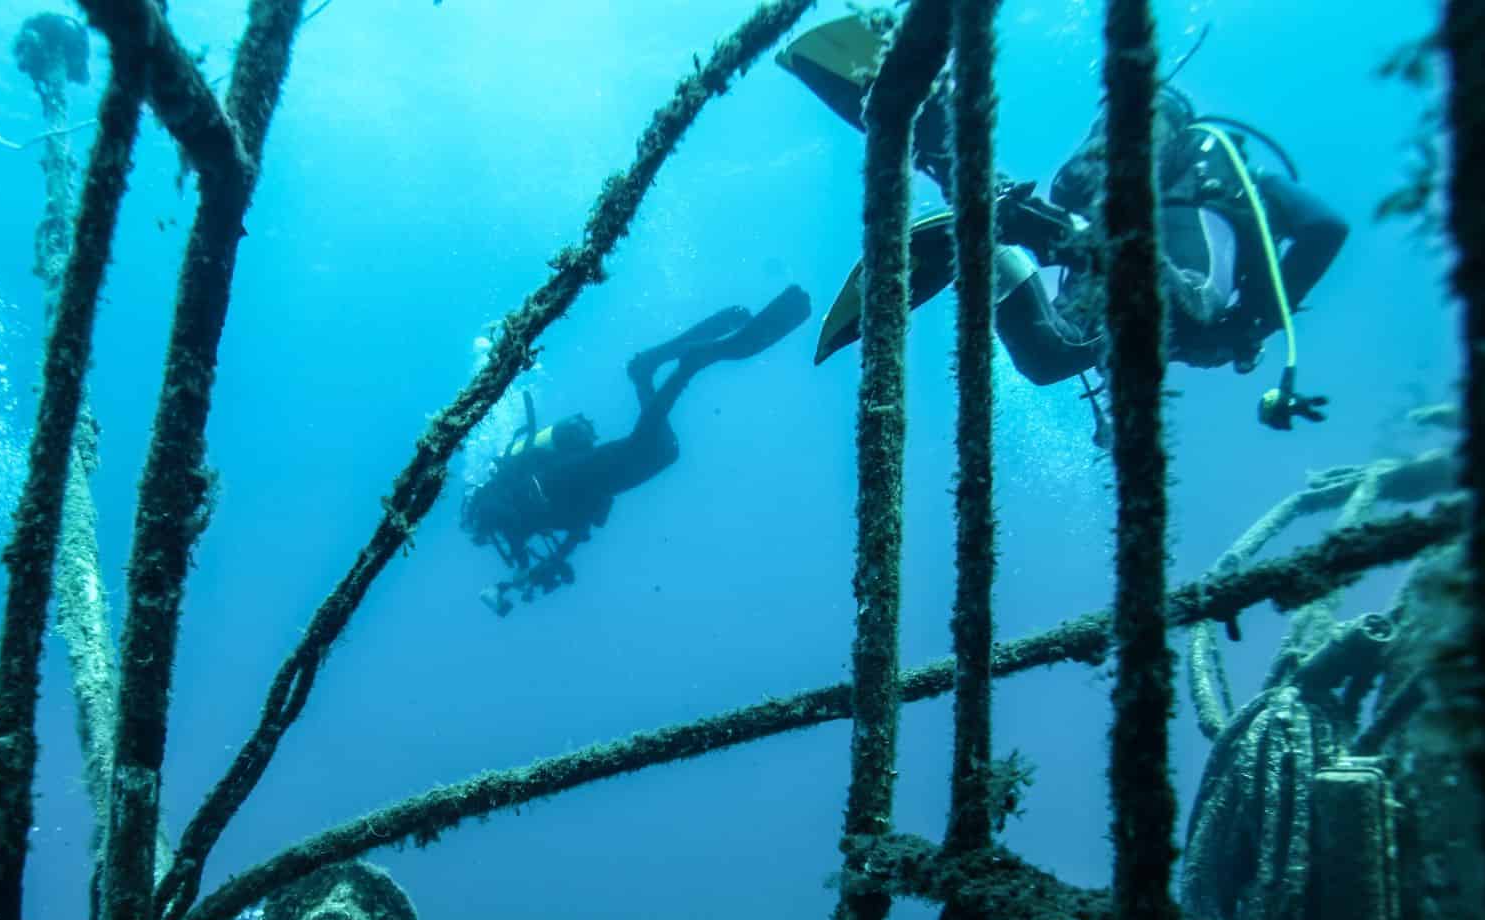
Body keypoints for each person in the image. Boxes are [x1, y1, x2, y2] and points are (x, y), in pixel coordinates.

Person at [778, 16, 1347, 434]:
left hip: (1132, 288)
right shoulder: (1228, 171)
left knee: (1053, 353)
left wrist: (1245, 325)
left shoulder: (1199, 171)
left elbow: (1073, 190)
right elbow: (1326, 227)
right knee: (1075, 345)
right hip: (1172, 297)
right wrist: (1255, 321)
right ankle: (986, 203)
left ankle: (972, 190)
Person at [460, 285, 811, 614]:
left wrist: (516, 572)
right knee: (664, 451)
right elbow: (564, 529)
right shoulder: (505, 512)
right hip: (582, 482)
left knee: (647, 448)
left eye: (475, 534)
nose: (478, 539)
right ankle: (644, 373)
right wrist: (538, 570)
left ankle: (687, 366)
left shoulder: (488, 510)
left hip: (571, 477)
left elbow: (508, 520)